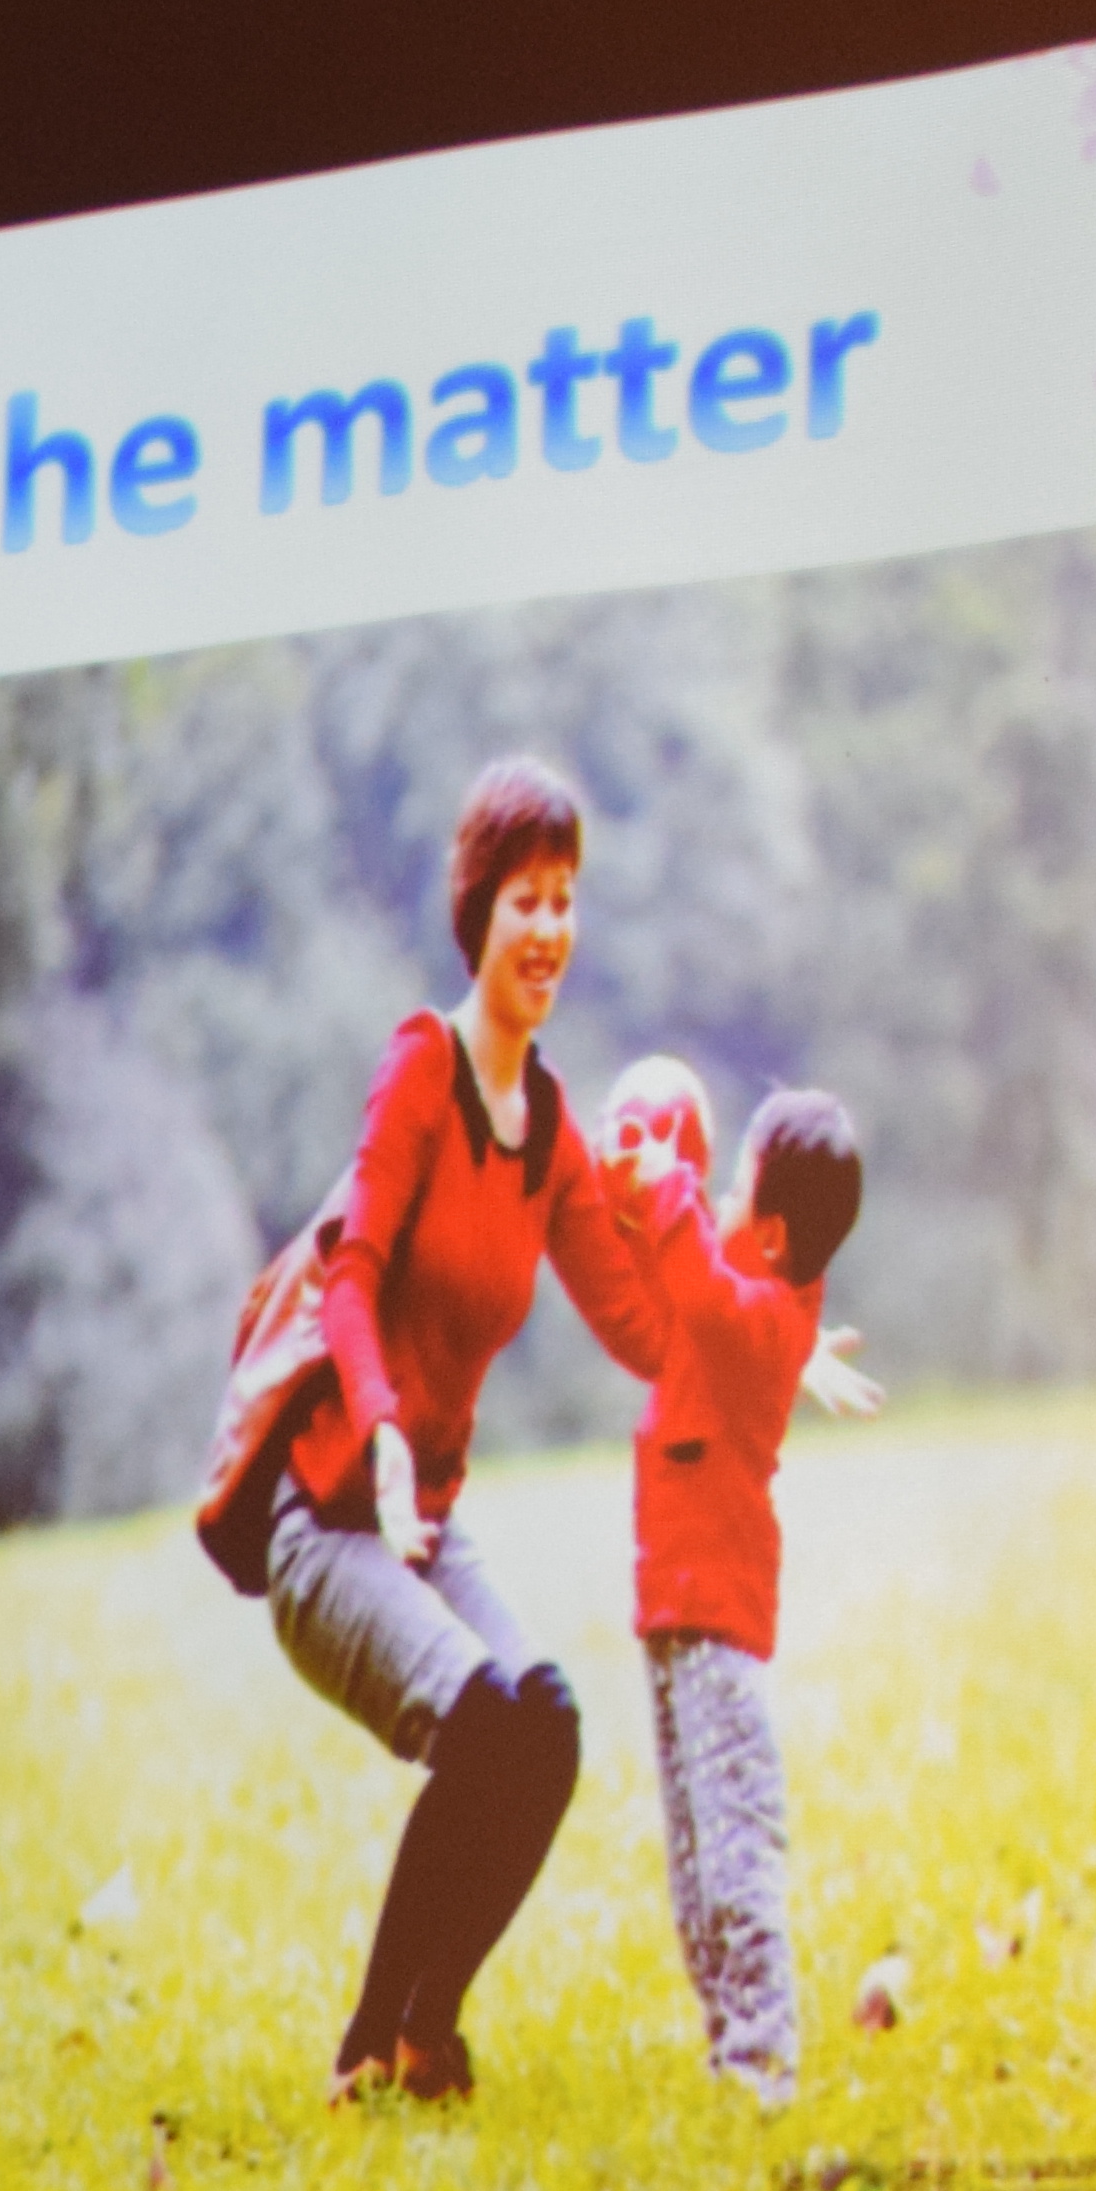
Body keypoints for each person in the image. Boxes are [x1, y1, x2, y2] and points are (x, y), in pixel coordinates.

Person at [248, 758, 666, 2103]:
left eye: (565, 899)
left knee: (546, 1725)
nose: (548, 928)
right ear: (477, 912)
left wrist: (766, 1309)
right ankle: (365, 2051)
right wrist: (378, 1426)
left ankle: (430, 2030)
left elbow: (641, 1326)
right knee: (487, 1723)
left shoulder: (550, 1128)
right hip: (328, 1522)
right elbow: (351, 1273)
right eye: (524, 899)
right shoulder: (421, 1068)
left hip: (420, 1526)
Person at [597, 1061, 867, 2103]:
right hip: (672, 1614)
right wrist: (636, 1195)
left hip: (716, 1618)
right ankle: (727, 2044)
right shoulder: (742, 1280)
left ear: (777, 1236)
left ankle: (763, 2054)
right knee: (691, 1859)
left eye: (737, 1185)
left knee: (735, 1846)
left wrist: (664, 1191)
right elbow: (671, 1277)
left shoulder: (763, 1320)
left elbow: (705, 1294)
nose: (716, 1195)